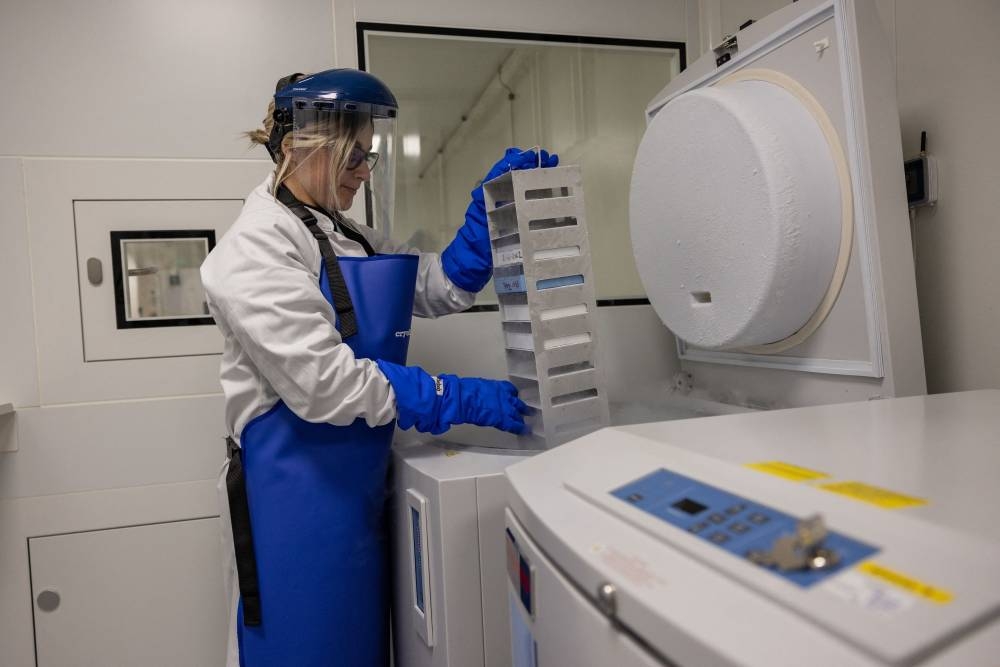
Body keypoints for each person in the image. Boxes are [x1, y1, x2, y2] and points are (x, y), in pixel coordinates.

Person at [200, 68, 558, 667]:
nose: (365, 173)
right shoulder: (253, 249)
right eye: (353, 160)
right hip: (293, 505)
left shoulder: (347, 235)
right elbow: (327, 385)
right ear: (298, 148)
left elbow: (437, 285)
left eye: (368, 157)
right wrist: (462, 399)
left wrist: (488, 220)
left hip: (358, 492)